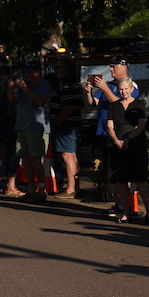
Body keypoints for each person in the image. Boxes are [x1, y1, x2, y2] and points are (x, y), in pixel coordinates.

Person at [87, 58, 139, 216]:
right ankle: (119, 204)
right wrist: (88, 91)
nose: (110, 71)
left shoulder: (131, 86)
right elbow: (92, 104)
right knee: (113, 172)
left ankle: (130, 205)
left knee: (124, 172)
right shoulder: (108, 85)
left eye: (113, 67)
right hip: (104, 133)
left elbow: (122, 105)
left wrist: (105, 89)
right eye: (109, 68)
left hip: (120, 134)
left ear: (124, 67)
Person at [106, 77, 149, 224]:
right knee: (121, 181)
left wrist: (127, 140)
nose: (123, 92)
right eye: (120, 89)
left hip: (136, 146)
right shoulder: (113, 105)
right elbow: (110, 126)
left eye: (126, 89)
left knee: (141, 181)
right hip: (118, 146)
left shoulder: (140, 104)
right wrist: (116, 141)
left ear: (132, 89)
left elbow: (141, 125)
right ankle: (126, 212)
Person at [10, 61, 51, 201]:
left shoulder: (43, 85)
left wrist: (26, 89)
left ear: (38, 72)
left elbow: (40, 101)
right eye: (26, 72)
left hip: (37, 127)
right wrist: (10, 88)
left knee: (36, 159)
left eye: (30, 72)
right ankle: (31, 189)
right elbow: (12, 100)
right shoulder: (22, 86)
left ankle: (41, 189)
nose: (27, 75)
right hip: (21, 125)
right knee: (25, 159)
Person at [48, 59, 84, 198]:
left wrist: (59, 119)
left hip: (66, 125)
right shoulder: (75, 83)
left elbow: (68, 105)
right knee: (72, 155)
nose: (57, 69)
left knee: (67, 155)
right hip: (71, 124)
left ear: (66, 69)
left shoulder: (67, 84)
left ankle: (70, 189)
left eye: (59, 67)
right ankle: (75, 186)